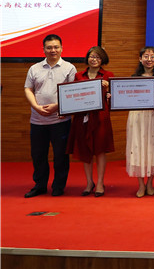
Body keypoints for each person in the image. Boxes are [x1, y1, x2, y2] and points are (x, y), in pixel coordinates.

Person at [23, 34, 76, 197]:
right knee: (38, 155)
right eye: (49, 47)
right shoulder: (34, 68)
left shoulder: (69, 68)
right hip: (37, 120)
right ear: (44, 49)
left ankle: (59, 186)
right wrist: (35, 106)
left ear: (61, 48)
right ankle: (40, 185)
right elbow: (28, 89)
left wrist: (57, 106)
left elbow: (72, 92)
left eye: (56, 47)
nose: (53, 50)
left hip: (60, 120)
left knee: (61, 156)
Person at [66, 46, 114, 197]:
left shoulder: (108, 75)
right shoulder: (79, 75)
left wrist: (109, 91)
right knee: (84, 150)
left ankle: (100, 182)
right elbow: (73, 95)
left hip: (100, 118)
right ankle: (89, 182)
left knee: (100, 150)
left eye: (98, 57)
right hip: (82, 118)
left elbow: (113, 99)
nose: (94, 59)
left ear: (102, 59)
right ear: (87, 58)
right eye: (92, 56)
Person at [126, 46, 154, 198]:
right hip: (138, 116)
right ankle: (140, 185)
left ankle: (150, 183)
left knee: (153, 148)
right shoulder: (133, 78)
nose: (149, 59)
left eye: (152, 57)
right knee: (137, 148)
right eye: (146, 56)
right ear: (140, 59)